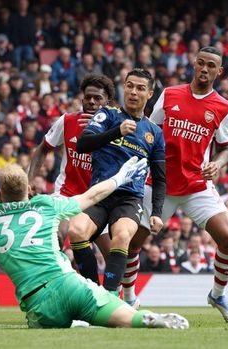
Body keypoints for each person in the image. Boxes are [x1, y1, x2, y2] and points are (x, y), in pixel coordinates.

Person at [0, 142, 187, 329]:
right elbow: (91, 195)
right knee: (122, 317)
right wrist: (121, 177)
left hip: (39, 304)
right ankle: (145, 320)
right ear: (28, 190)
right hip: (68, 283)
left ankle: (82, 324)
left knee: (54, 325)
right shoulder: (47, 204)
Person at [128, 47, 228, 323]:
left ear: (219, 71)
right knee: (132, 243)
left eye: (211, 66)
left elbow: (225, 149)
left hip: (196, 185)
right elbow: (148, 129)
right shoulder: (170, 94)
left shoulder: (225, 108)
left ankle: (217, 294)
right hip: (159, 184)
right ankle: (129, 298)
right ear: (194, 64)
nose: (204, 69)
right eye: (200, 63)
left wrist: (218, 163)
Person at [68, 68, 166, 294]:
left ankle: (111, 297)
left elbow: (160, 178)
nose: (133, 92)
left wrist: (157, 212)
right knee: (76, 230)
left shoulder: (154, 132)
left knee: (122, 237)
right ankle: (94, 293)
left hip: (129, 199)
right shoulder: (108, 115)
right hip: (99, 194)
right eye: (130, 86)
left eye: (140, 88)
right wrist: (116, 132)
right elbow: (83, 144)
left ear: (149, 94)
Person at [28, 75, 115, 257]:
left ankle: (107, 285)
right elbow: (43, 149)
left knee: (113, 256)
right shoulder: (67, 121)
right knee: (58, 235)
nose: (92, 102)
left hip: (98, 198)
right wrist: (28, 181)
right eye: (88, 97)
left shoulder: (116, 129)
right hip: (67, 192)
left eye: (97, 98)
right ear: (82, 99)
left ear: (108, 102)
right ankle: (53, 280)